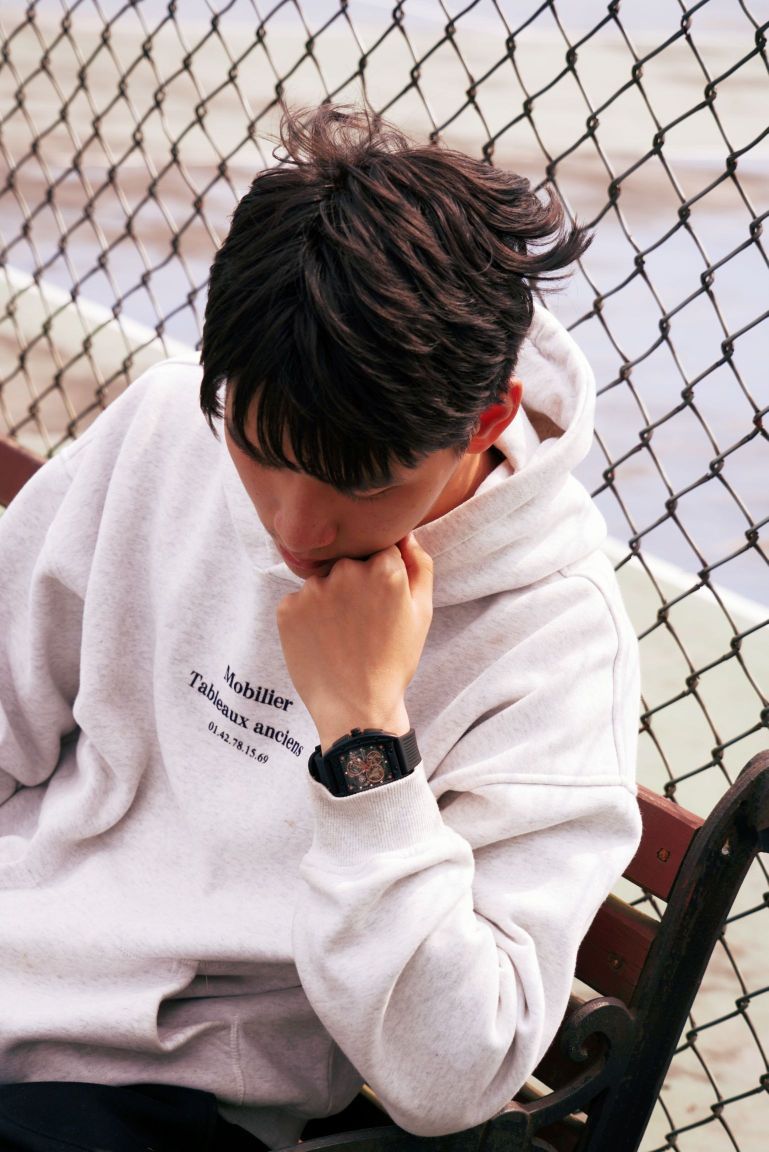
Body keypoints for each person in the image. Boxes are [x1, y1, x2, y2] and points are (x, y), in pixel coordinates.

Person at [0, 106, 641, 1150]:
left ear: (484, 423)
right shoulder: (167, 423)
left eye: (362, 483)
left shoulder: (553, 636)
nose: (294, 528)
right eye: (257, 452)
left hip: (161, 1098)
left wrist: (365, 743)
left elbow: (456, 1072)